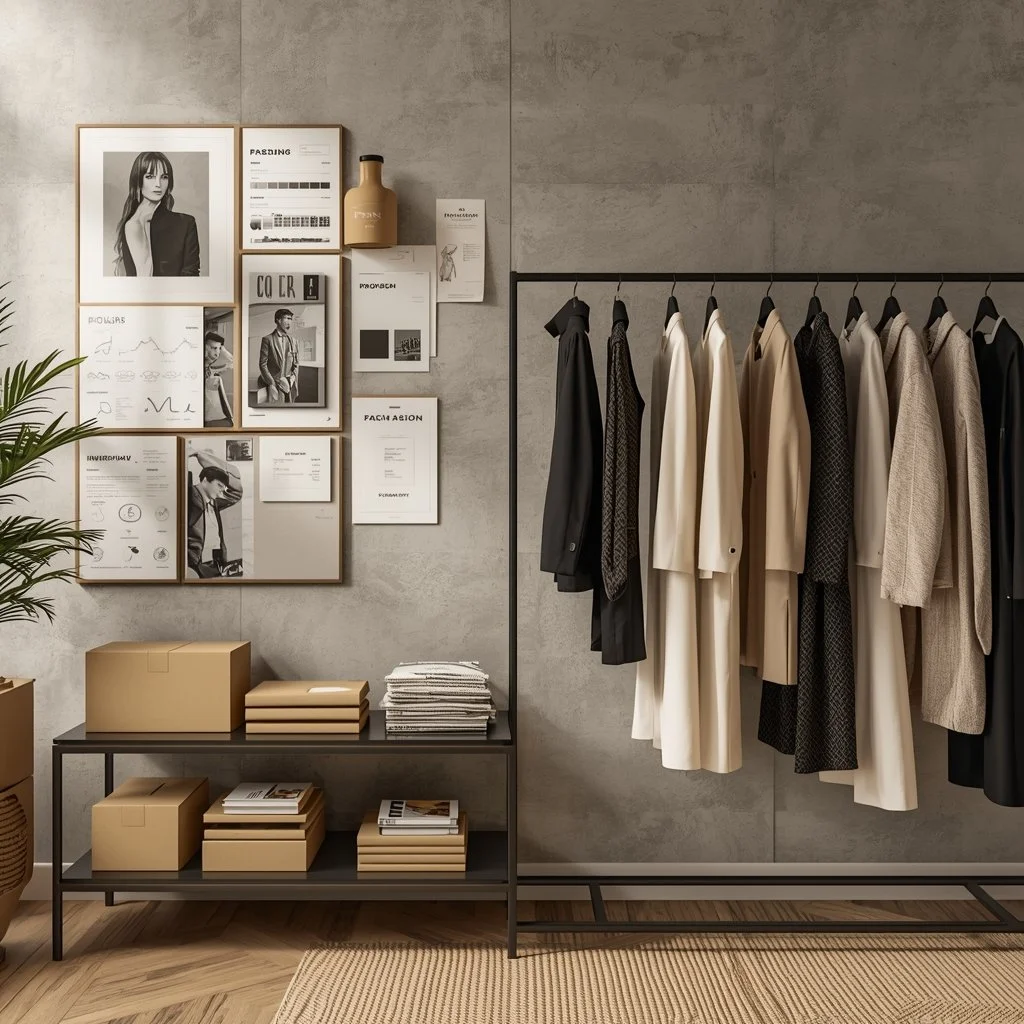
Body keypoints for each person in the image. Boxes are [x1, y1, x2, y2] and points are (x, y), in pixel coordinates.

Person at [113, 151, 200, 277]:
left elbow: (191, 275)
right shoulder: (132, 225)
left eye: (164, 177)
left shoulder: (186, 223)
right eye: (150, 177)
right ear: (138, 180)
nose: (158, 184)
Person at [186, 450, 242, 578]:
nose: (222, 491)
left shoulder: (215, 501)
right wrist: (201, 456)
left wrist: (207, 459)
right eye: (219, 485)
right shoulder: (190, 496)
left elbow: (237, 492)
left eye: (224, 487)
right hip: (195, 566)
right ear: (205, 480)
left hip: (215, 564)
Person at [258, 308, 300, 404]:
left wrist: (291, 380)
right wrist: (272, 383)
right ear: (278, 320)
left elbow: (296, 364)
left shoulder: (294, 341)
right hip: (274, 385)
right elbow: (262, 364)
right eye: (286, 318)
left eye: (290, 319)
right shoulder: (267, 339)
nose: (289, 322)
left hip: (290, 385)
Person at [203, 331, 233, 427]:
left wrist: (221, 347)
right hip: (210, 420)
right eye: (214, 348)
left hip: (216, 418)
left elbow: (232, 362)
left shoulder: (209, 368)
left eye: (219, 349)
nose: (218, 353)